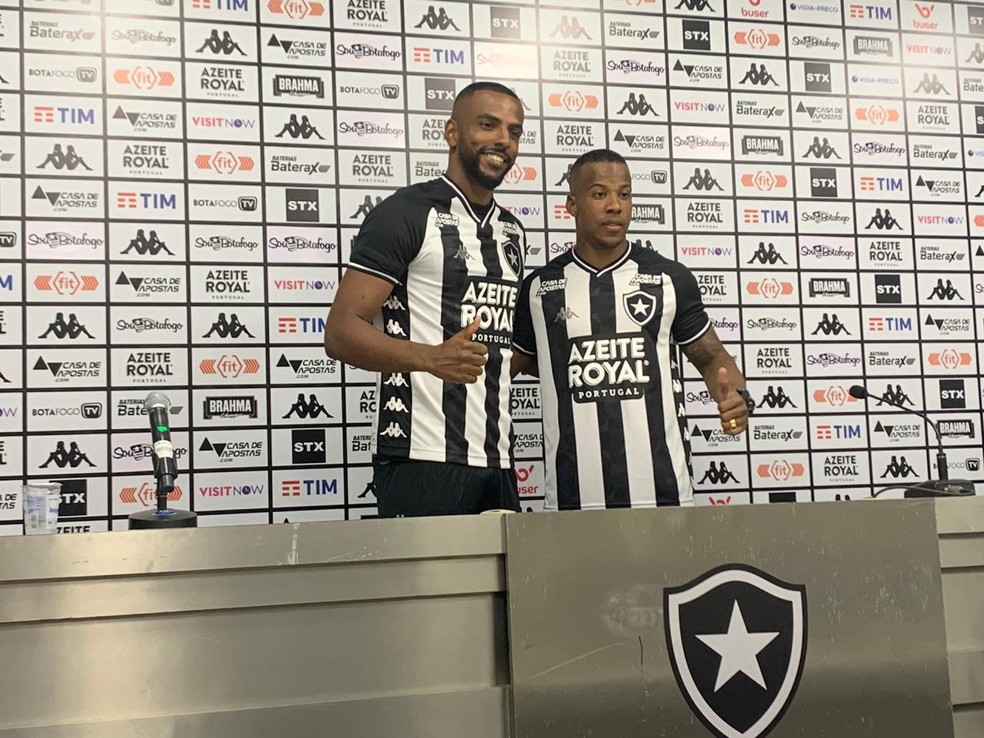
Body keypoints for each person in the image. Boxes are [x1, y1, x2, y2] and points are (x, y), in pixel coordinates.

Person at [324, 81, 527, 517]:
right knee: (432, 588)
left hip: (498, 461)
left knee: (509, 589)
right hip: (421, 459)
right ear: (452, 132)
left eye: (514, 131)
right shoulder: (407, 212)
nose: (502, 141)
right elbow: (341, 332)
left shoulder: (512, 231)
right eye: (488, 125)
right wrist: (430, 358)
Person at [511, 149, 753, 510]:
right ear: (571, 205)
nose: (615, 206)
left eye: (624, 194)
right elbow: (511, 370)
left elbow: (712, 357)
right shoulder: (538, 289)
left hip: (665, 498)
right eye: (599, 194)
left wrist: (736, 399)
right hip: (569, 502)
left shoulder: (669, 279)